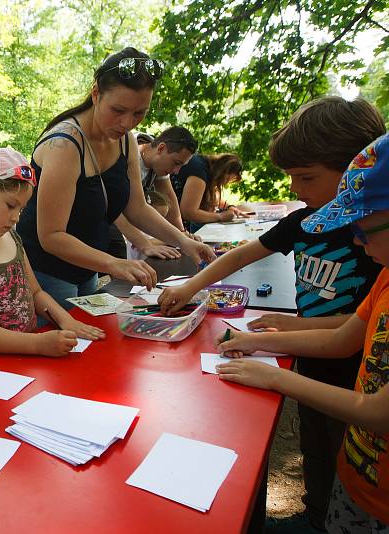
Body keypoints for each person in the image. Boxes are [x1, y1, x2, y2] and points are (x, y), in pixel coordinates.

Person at [160, 97, 386, 533]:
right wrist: (190, 285)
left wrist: (291, 328)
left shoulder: (373, 238)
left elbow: (359, 330)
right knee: (317, 449)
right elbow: (246, 253)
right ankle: (318, 512)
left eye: (306, 177)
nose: (297, 189)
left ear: (357, 172)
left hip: (353, 375)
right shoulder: (308, 221)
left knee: (348, 453)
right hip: (312, 361)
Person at [215, 133, 389, 533]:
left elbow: (380, 412)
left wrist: (278, 377)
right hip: (360, 478)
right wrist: (254, 341)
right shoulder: (385, 279)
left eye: (366, 230)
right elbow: (341, 338)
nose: (358, 242)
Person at [15, 47, 216, 310]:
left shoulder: (126, 141)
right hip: (46, 275)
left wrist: (183, 241)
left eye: (139, 113)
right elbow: (51, 235)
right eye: (118, 110)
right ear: (96, 93)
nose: (127, 123)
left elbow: (136, 207)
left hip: (87, 270)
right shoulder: (64, 145)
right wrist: (114, 263)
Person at [0, 148, 105, 357]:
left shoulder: (11, 238)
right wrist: (37, 344)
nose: (16, 217)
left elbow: (36, 293)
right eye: (10, 206)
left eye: (21, 209)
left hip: (27, 357)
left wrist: (66, 319)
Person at [112, 127, 199, 260]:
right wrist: (143, 243)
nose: (176, 171)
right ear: (161, 148)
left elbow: (170, 198)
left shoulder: (155, 159)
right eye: (176, 163)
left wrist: (182, 235)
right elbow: (112, 206)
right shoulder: (125, 151)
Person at [170, 152, 248, 232]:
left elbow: (212, 198)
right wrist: (220, 216)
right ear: (222, 171)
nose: (223, 184)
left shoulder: (205, 165)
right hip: (170, 223)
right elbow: (188, 212)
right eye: (226, 179)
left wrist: (229, 207)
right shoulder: (199, 171)